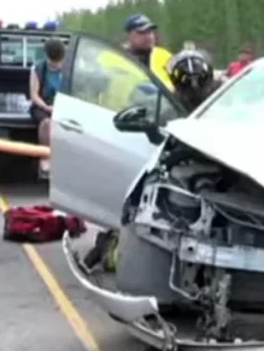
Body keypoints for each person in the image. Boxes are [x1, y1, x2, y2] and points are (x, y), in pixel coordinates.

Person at [82, 50, 218, 271]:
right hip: (181, 170)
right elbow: (156, 130)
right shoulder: (169, 105)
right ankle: (108, 245)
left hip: (218, 166)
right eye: (188, 83)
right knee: (141, 211)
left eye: (198, 82)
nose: (194, 88)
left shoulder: (222, 103)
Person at [29, 38, 66, 176]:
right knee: (46, 123)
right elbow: (34, 95)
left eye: (59, 62)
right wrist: (47, 108)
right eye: (53, 62)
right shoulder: (38, 69)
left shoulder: (68, 69)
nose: (57, 65)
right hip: (42, 105)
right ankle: (45, 158)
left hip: (62, 104)